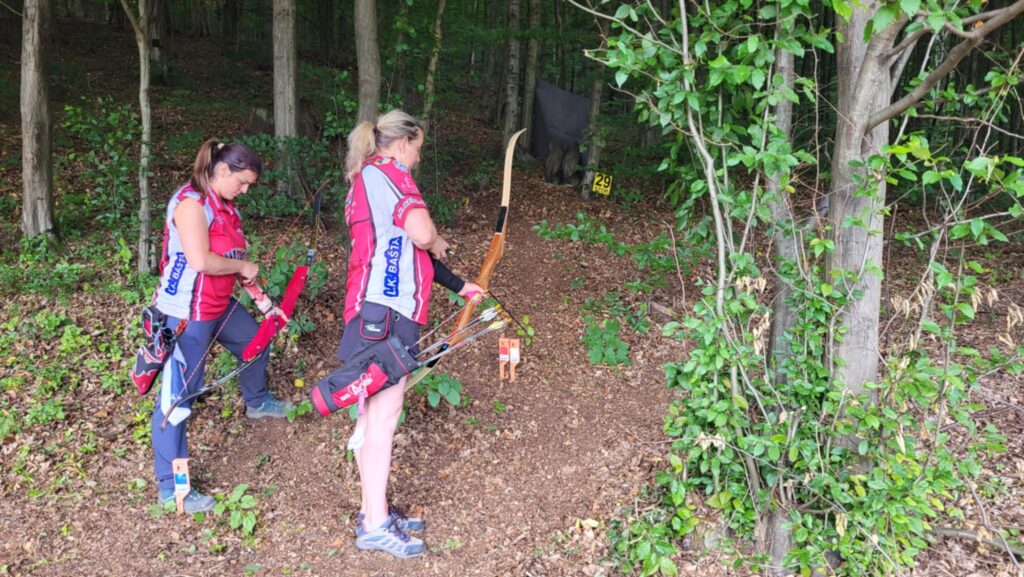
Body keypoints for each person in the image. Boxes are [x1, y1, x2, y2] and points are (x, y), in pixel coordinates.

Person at [339, 110, 482, 558]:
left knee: (373, 416)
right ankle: (375, 525)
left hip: (374, 311)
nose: (418, 158)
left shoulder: (368, 178)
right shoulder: (390, 173)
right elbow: (420, 234)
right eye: (417, 148)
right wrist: (435, 238)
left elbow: (403, 250)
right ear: (403, 143)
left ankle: (374, 510)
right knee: (382, 418)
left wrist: (460, 286)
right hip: (384, 313)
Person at [150, 139, 295, 513]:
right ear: (223, 170)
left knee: (255, 341)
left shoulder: (226, 208)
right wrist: (242, 267)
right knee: (178, 399)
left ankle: (257, 402)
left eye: (249, 185)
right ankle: (173, 489)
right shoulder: (191, 203)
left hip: (217, 304)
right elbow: (201, 260)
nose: (244, 190)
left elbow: (233, 262)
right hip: (186, 312)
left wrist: (264, 303)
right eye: (242, 182)